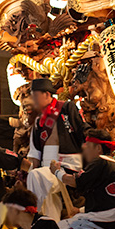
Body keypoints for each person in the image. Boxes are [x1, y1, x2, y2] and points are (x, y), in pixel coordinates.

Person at [26, 78, 89, 220]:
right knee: (39, 183)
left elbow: (82, 130)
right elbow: (34, 153)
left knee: (36, 176)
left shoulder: (67, 108)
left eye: (35, 96)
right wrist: (26, 172)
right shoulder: (38, 121)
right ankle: (51, 228)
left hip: (69, 166)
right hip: (46, 168)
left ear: (47, 94)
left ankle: (33, 218)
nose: (33, 100)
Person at [51, 128, 115, 229]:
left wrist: (56, 172)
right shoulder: (112, 164)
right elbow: (106, 199)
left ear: (98, 148)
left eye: (88, 145)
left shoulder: (101, 162)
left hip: (112, 221)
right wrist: (80, 210)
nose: (84, 148)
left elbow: (76, 181)